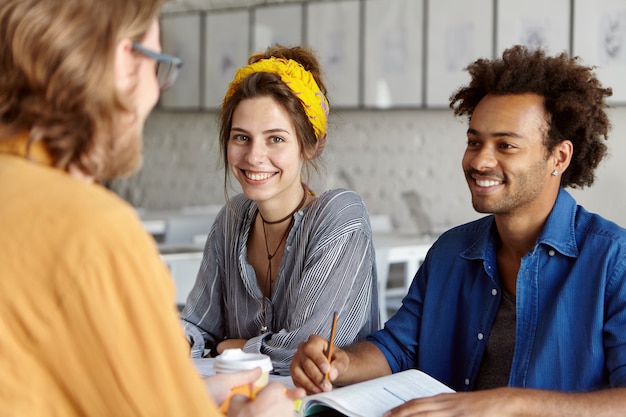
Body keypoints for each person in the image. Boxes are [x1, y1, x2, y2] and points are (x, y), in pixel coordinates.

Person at [0, 0, 302, 415]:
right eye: (159, 66)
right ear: (125, 61)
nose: (158, 90)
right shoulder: (95, 233)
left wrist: (194, 397)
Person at [290, 45, 626, 416]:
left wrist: (510, 401)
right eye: (474, 142)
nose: (480, 160)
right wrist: (342, 364)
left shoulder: (613, 261)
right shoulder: (451, 251)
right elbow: (400, 347)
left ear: (558, 158)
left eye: (506, 145)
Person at [181, 45, 379, 373]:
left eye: (275, 139)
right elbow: (199, 326)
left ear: (312, 145)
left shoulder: (340, 215)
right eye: (241, 137)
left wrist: (236, 348)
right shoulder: (231, 220)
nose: (254, 156)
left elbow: (308, 351)